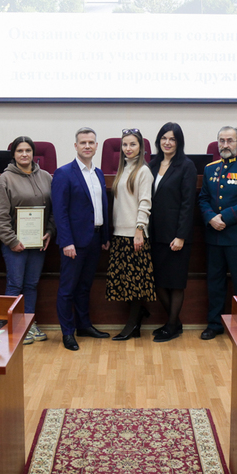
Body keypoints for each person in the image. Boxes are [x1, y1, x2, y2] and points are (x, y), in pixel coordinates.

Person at [51, 128, 111, 351]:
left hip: (95, 240)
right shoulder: (64, 173)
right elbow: (60, 211)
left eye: (91, 142)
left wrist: (105, 236)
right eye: (83, 142)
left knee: (85, 287)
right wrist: (66, 242)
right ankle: (68, 332)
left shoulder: (99, 173)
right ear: (75, 146)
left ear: (97, 147)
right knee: (67, 289)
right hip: (74, 243)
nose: (87, 146)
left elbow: (102, 207)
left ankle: (84, 325)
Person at [198, 126, 237, 340]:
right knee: (215, 282)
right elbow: (203, 198)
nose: (225, 145)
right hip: (214, 236)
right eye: (222, 141)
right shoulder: (209, 169)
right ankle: (214, 324)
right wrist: (210, 217)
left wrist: (225, 218)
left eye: (230, 141)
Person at [0, 136, 55, 345]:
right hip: (15, 244)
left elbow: (54, 210)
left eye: (28, 150)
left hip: (38, 242)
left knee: (31, 284)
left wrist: (49, 231)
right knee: (14, 284)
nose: (25, 154)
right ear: (14, 155)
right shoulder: (5, 179)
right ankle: (14, 326)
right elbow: (0, 216)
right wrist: (11, 241)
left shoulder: (46, 176)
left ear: (33, 153)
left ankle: (29, 323)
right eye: (20, 151)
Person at [148, 123, 197, 342]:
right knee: (158, 282)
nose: (167, 142)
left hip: (176, 235)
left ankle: (171, 325)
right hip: (155, 234)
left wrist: (181, 236)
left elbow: (188, 203)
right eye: (164, 138)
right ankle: (174, 323)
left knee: (175, 282)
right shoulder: (152, 164)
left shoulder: (186, 166)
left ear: (179, 142)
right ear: (158, 140)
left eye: (173, 139)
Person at [106, 129, 156, 341]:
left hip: (134, 235)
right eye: (125, 145)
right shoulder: (122, 170)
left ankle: (132, 324)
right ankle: (138, 315)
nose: (128, 149)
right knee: (124, 283)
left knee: (135, 284)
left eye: (133, 144)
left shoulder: (143, 171)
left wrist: (139, 230)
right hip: (119, 234)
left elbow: (145, 202)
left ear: (141, 147)